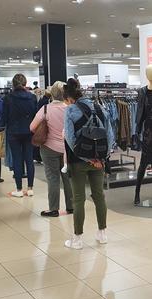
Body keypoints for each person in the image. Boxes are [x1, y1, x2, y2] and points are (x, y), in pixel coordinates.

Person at [63, 78, 109, 249]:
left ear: (69, 98)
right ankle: (102, 233)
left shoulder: (70, 111)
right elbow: (109, 134)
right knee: (99, 196)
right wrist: (101, 159)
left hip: (78, 161)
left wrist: (86, 158)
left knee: (78, 199)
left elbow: (69, 138)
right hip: (99, 161)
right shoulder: (99, 107)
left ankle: (77, 239)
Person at [30, 81, 73, 217]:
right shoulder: (70, 109)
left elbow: (32, 127)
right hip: (67, 148)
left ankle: (54, 208)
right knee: (68, 178)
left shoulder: (45, 109)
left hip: (49, 148)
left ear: (52, 94)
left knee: (53, 178)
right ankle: (71, 206)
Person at [0, 74, 37, 197]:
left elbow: (4, 117)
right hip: (29, 131)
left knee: (17, 159)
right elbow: (35, 115)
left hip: (13, 132)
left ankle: (19, 189)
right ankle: (30, 188)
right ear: (25, 83)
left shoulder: (8, 98)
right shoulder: (32, 97)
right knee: (29, 159)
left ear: (13, 84)